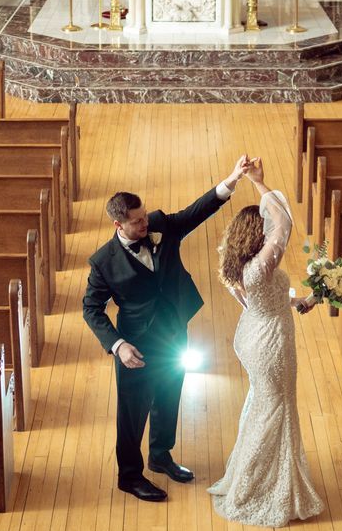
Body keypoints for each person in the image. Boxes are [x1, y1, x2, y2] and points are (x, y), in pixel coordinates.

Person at [83, 155, 251, 501]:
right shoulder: (103, 263)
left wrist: (231, 179)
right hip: (136, 345)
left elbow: (194, 213)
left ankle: (161, 456)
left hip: (174, 332)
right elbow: (91, 309)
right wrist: (117, 345)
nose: (146, 222)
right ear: (119, 225)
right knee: (132, 414)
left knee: (169, 396)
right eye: (137, 221)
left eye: (145, 215)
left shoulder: (159, 224)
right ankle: (130, 476)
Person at [208, 159, 324, 529]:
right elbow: (285, 224)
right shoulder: (258, 268)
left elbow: (265, 299)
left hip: (255, 334)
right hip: (272, 342)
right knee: (277, 406)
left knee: (264, 402)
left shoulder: (238, 267)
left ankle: (259, 477)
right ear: (258, 235)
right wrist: (260, 183)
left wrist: (304, 300)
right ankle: (261, 486)